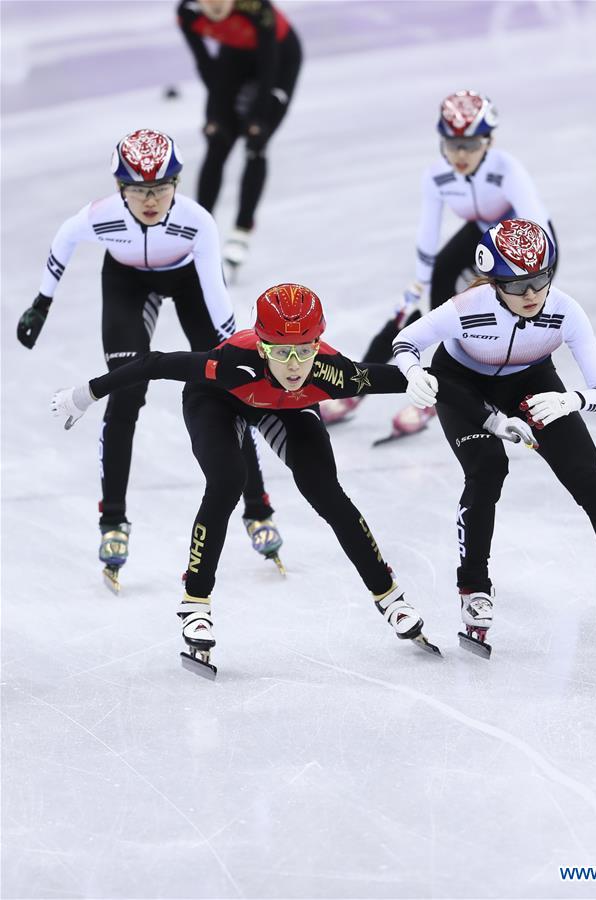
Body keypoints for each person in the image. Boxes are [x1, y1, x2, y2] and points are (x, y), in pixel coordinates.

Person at [51, 283, 444, 676]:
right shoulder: (230, 362)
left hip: (289, 408)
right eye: (281, 352)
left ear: (317, 344)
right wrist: (86, 394)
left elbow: (404, 378)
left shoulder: (332, 372)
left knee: (325, 491)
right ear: (262, 346)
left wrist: (429, 382)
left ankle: (390, 597)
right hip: (216, 400)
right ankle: (195, 603)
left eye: (305, 350)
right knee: (227, 481)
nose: (294, 364)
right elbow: (154, 364)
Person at [390, 218, 596, 655]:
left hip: (532, 384)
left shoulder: (566, 310)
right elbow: (405, 342)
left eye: (540, 279)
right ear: (494, 283)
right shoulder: (466, 307)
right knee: (487, 470)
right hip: (461, 384)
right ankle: (474, 589)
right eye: (517, 285)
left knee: (588, 479)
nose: (531, 294)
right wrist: (414, 372)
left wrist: (572, 399)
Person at [17, 128, 282, 591]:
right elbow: (64, 239)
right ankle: (113, 520)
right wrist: (42, 302)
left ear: (176, 184)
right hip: (127, 283)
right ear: (121, 188)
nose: (151, 200)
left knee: (230, 390)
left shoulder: (197, 223)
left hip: (188, 281)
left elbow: (216, 292)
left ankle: (257, 506)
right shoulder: (101, 217)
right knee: (125, 390)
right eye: (139, 190)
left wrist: (234, 346)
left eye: (160, 188)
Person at [321, 89, 557, 439]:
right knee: (418, 313)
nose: (460, 155)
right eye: (452, 144)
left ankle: (440, 396)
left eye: (471, 145)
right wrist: (418, 282)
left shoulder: (507, 170)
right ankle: (356, 387)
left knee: (477, 322)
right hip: (483, 232)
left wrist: (516, 284)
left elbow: (536, 227)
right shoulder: (437, 176)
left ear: (489, 142)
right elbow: (428, 232)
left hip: (528, 251)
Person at [177, 0, 302, 274]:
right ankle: (199, 233)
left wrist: (258, 118)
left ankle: (242, 230)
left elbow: (268, 66)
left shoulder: (255, 7)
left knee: (256, 141)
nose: (215, 4)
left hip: (279, 59)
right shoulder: (187, 13)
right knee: (217, 141)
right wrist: (216, 113)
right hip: (235, 57)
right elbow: (206, 66)